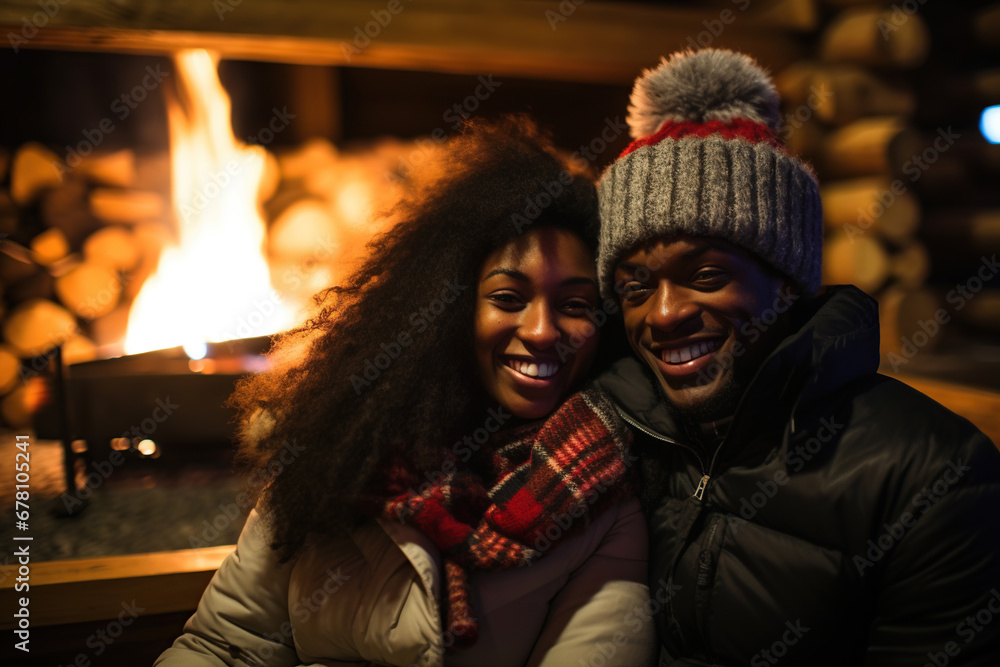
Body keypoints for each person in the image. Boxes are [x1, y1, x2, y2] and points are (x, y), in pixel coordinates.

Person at [155, 116, 657, 667]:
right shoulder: (339, 444)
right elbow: (224, 646)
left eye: (575, 306)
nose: (541, 331)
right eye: (508, 298)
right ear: (449, 309)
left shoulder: (603, 498)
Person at [592, 48, 1000, 665]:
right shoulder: (607, 432)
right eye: (635, 287)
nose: (664, 314)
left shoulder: (934, 479)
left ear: (785, 283)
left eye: (704, 275)